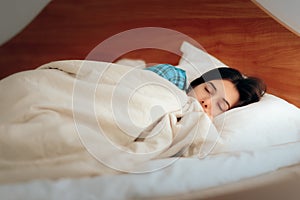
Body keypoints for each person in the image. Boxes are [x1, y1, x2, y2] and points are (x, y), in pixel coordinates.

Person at [145, 64, 266, 118]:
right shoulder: (173, 77)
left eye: (220, 105)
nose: (206, 102)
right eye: (207, 90)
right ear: (198, 83)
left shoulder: (198, 128)